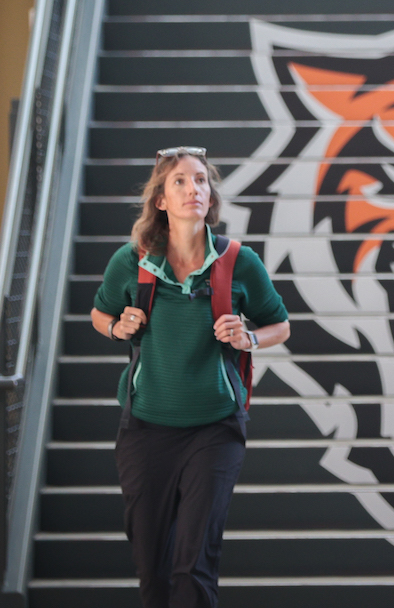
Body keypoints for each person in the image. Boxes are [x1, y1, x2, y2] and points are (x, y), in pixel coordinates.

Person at [90, 146, 290, 607]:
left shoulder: (239, 261)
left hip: (215, 428)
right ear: (160, 199)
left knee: (193, 563)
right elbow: (99, 315)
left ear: (210, 196)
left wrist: (249, 339)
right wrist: (117, 327)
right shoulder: (131, 261)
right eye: (179, 181)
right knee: (153, 566)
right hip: (145, 429)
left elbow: (281, 324)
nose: (192, 189)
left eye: (200, 180)